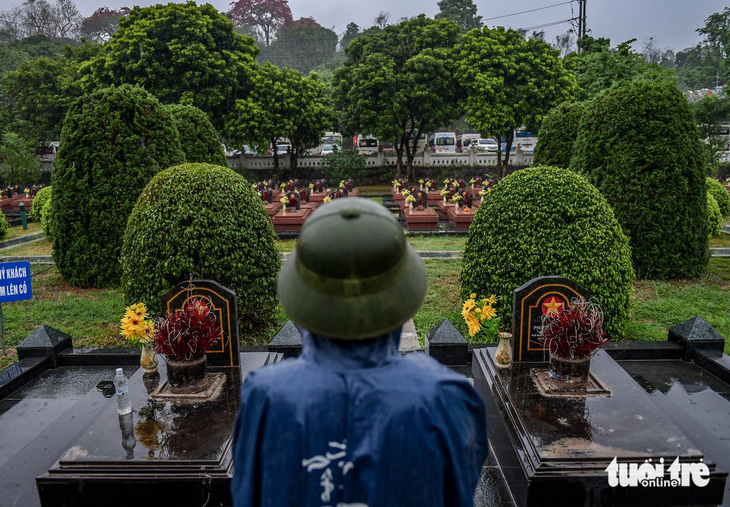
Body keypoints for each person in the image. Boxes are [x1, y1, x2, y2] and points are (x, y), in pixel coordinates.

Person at [230, 197, 488, 507]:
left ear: (303, 299)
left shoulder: (265, 398)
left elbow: (247, 496)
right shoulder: (449, 398)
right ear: (401, 296)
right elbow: (459, 491)